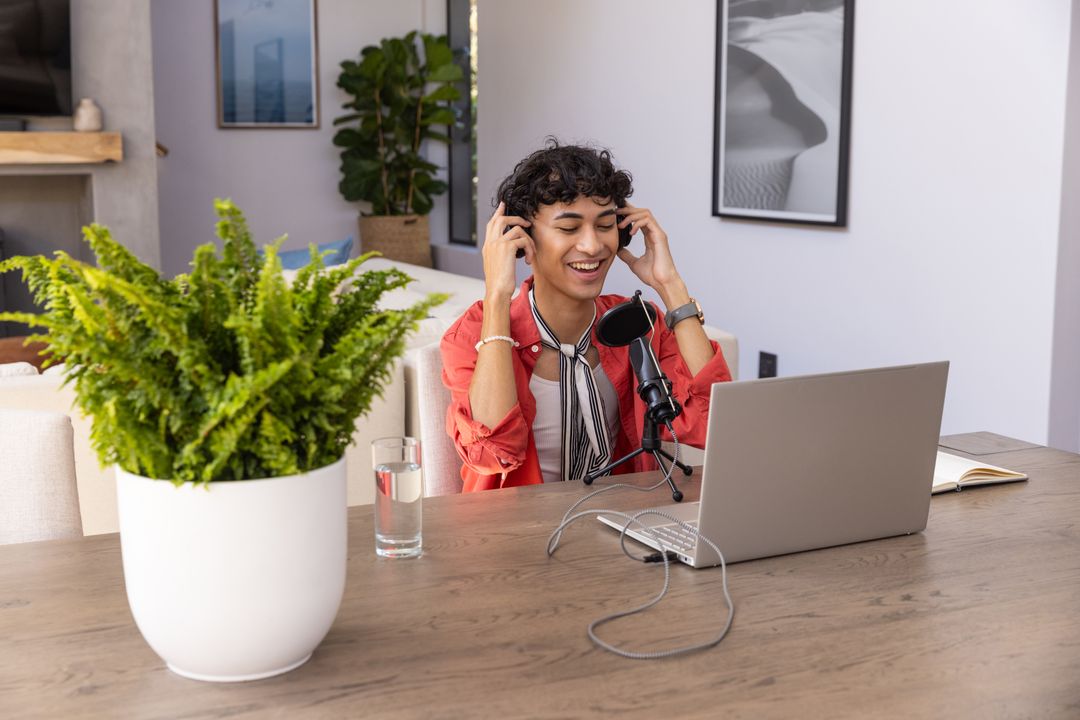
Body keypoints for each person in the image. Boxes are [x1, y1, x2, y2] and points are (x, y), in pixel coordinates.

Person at [440, 141, 732, 492]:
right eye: (568, 228)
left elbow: (712, 426)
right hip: (513, 536)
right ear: (522, 240)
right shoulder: (473, 332)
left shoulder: (637, 322)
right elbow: (492, 452)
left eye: (605, 224)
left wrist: (670, 286)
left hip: (621, 524)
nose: (592, 246)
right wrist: (497, 295)